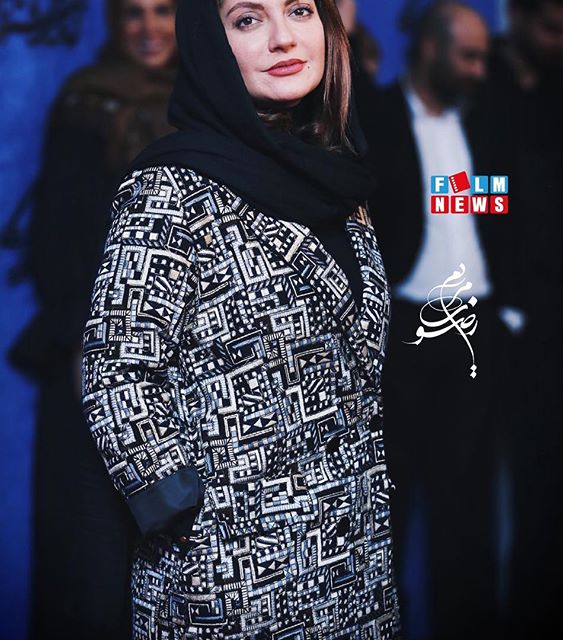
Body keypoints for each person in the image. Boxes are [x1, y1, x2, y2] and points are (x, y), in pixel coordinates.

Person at [80, 0, 402, 638]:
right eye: (248, 19)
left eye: (300, 10)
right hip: (232, 580)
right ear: (209, 44)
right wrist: (182, 510)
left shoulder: (340, 182)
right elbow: (116, 369)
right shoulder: (171, 190)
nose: (283, 38)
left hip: (357, 571)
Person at [9, 0, 178, 637]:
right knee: (88, 558)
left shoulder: (208, 103)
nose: (149, 29)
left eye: (164, 11)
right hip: (95, 357)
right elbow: (57, 240)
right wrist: (93, 348)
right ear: (112, 23)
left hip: (179, 363)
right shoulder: (86, 102)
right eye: (133, 14)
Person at [359, 2, 515, 637]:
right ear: (429, 49)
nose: (480, 70)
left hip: (475, 328)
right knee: (388, 502)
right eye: (469, 56)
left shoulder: (482, 121)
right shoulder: (376, 119)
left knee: (467, 502)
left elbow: (494, 210)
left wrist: (511, 307)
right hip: (403, 330)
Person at [464, 0, 563, 636]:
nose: (560, 41)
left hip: (561, 313)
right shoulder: (475, 85)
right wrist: (499, 206)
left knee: (553, 467)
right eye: (550, 28)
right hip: (485, 308)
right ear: (518, 18)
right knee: (479, 478)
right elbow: (451, 190)